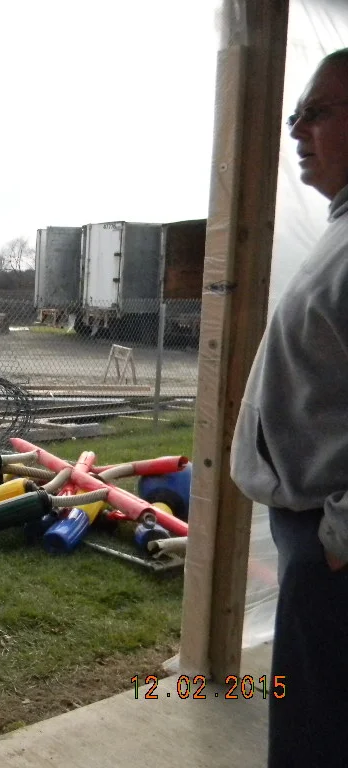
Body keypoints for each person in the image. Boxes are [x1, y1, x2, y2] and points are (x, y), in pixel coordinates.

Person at [230, 48, 348, 766]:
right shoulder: (341, 223)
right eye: (293, 116)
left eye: (319, 112)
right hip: (317, 533)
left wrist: (338, 539)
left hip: (331, 543)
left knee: (315, 733)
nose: (298, 131)